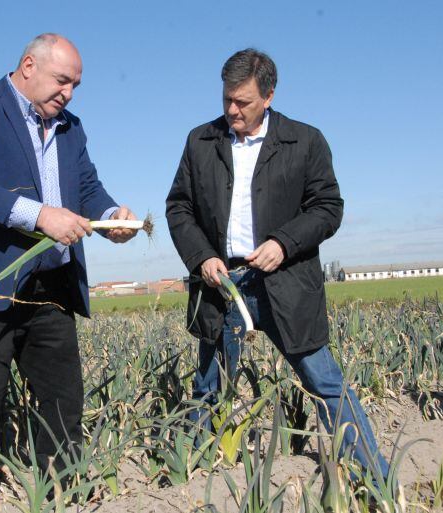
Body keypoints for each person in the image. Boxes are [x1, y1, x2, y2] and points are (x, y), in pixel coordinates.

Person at [0, 33, 137, 512]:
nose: (69, 93)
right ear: (28, 65)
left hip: (51, 288)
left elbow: (87, 189)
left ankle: (63, 498)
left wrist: (111, 218)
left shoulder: (70, 127)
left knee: (63, 405)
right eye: (62, 80)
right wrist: (41, 215)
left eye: (76, 85)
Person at [165, 49, 390, 481]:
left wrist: (283, 244)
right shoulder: (200, 141)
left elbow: (327, 208)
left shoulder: (305, 141)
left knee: (326, 384)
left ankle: (378, 480)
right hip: (222, 285)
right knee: (209, 388)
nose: (232, 110)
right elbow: (179, 208)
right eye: (227, 99)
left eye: (243, 102)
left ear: (269, 96)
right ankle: (186, 482)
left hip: (285, 283)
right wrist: (202, 256)